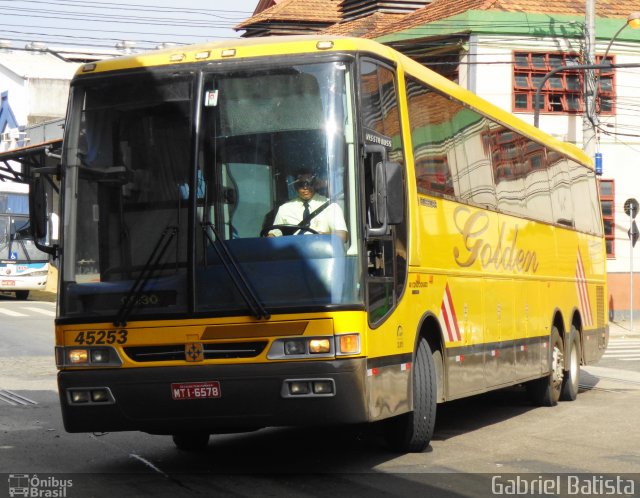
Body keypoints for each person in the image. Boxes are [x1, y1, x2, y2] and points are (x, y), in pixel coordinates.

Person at [268, 170, 348, 241]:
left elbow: (342, 236)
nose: (305, 187)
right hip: (292, 254)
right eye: (301, 184)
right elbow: (273, 235)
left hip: (321, 254)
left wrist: (320, 236)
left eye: (309, 183)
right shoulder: (284, 209)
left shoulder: (331, 206)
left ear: (315, 184)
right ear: (295, 186)